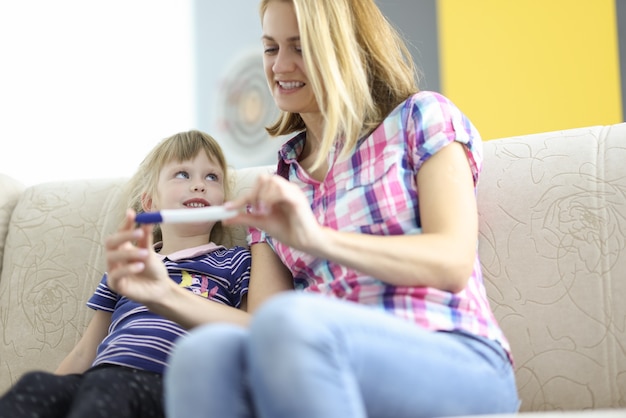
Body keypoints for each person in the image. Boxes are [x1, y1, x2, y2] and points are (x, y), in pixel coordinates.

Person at [105, 0, 520, 417]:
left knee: (294, 323)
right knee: (203, 355)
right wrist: (164, 294)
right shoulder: (281, 180)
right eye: (271, 48)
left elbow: (451, 262)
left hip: (451, 351)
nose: (280, 66)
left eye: (300, 47)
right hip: (313, 356)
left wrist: (317, 239)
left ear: (344, 46)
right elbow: (261, 326)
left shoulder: (420, 117)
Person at [0, 130, 251, 418]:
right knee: (38, 385)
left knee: (108, 387)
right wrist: (55, 394)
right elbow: (85, 352)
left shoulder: (234, 261)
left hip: (168, 388)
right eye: (183, 174)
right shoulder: (130, 265)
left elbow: (248, 333)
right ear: (149, 203)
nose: (199, 185)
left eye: (212, 177)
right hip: (101, 378)